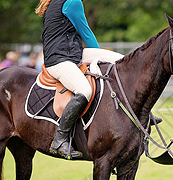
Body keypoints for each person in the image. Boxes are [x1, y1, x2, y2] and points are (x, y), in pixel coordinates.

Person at [36, 0, 125, 159]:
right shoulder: (72, 2)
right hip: (59, 61)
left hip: (72, 54)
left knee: (120, 60)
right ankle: (60, 139)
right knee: (84, 90)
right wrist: (98, 59)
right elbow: (86, 33)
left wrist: (100, 58)